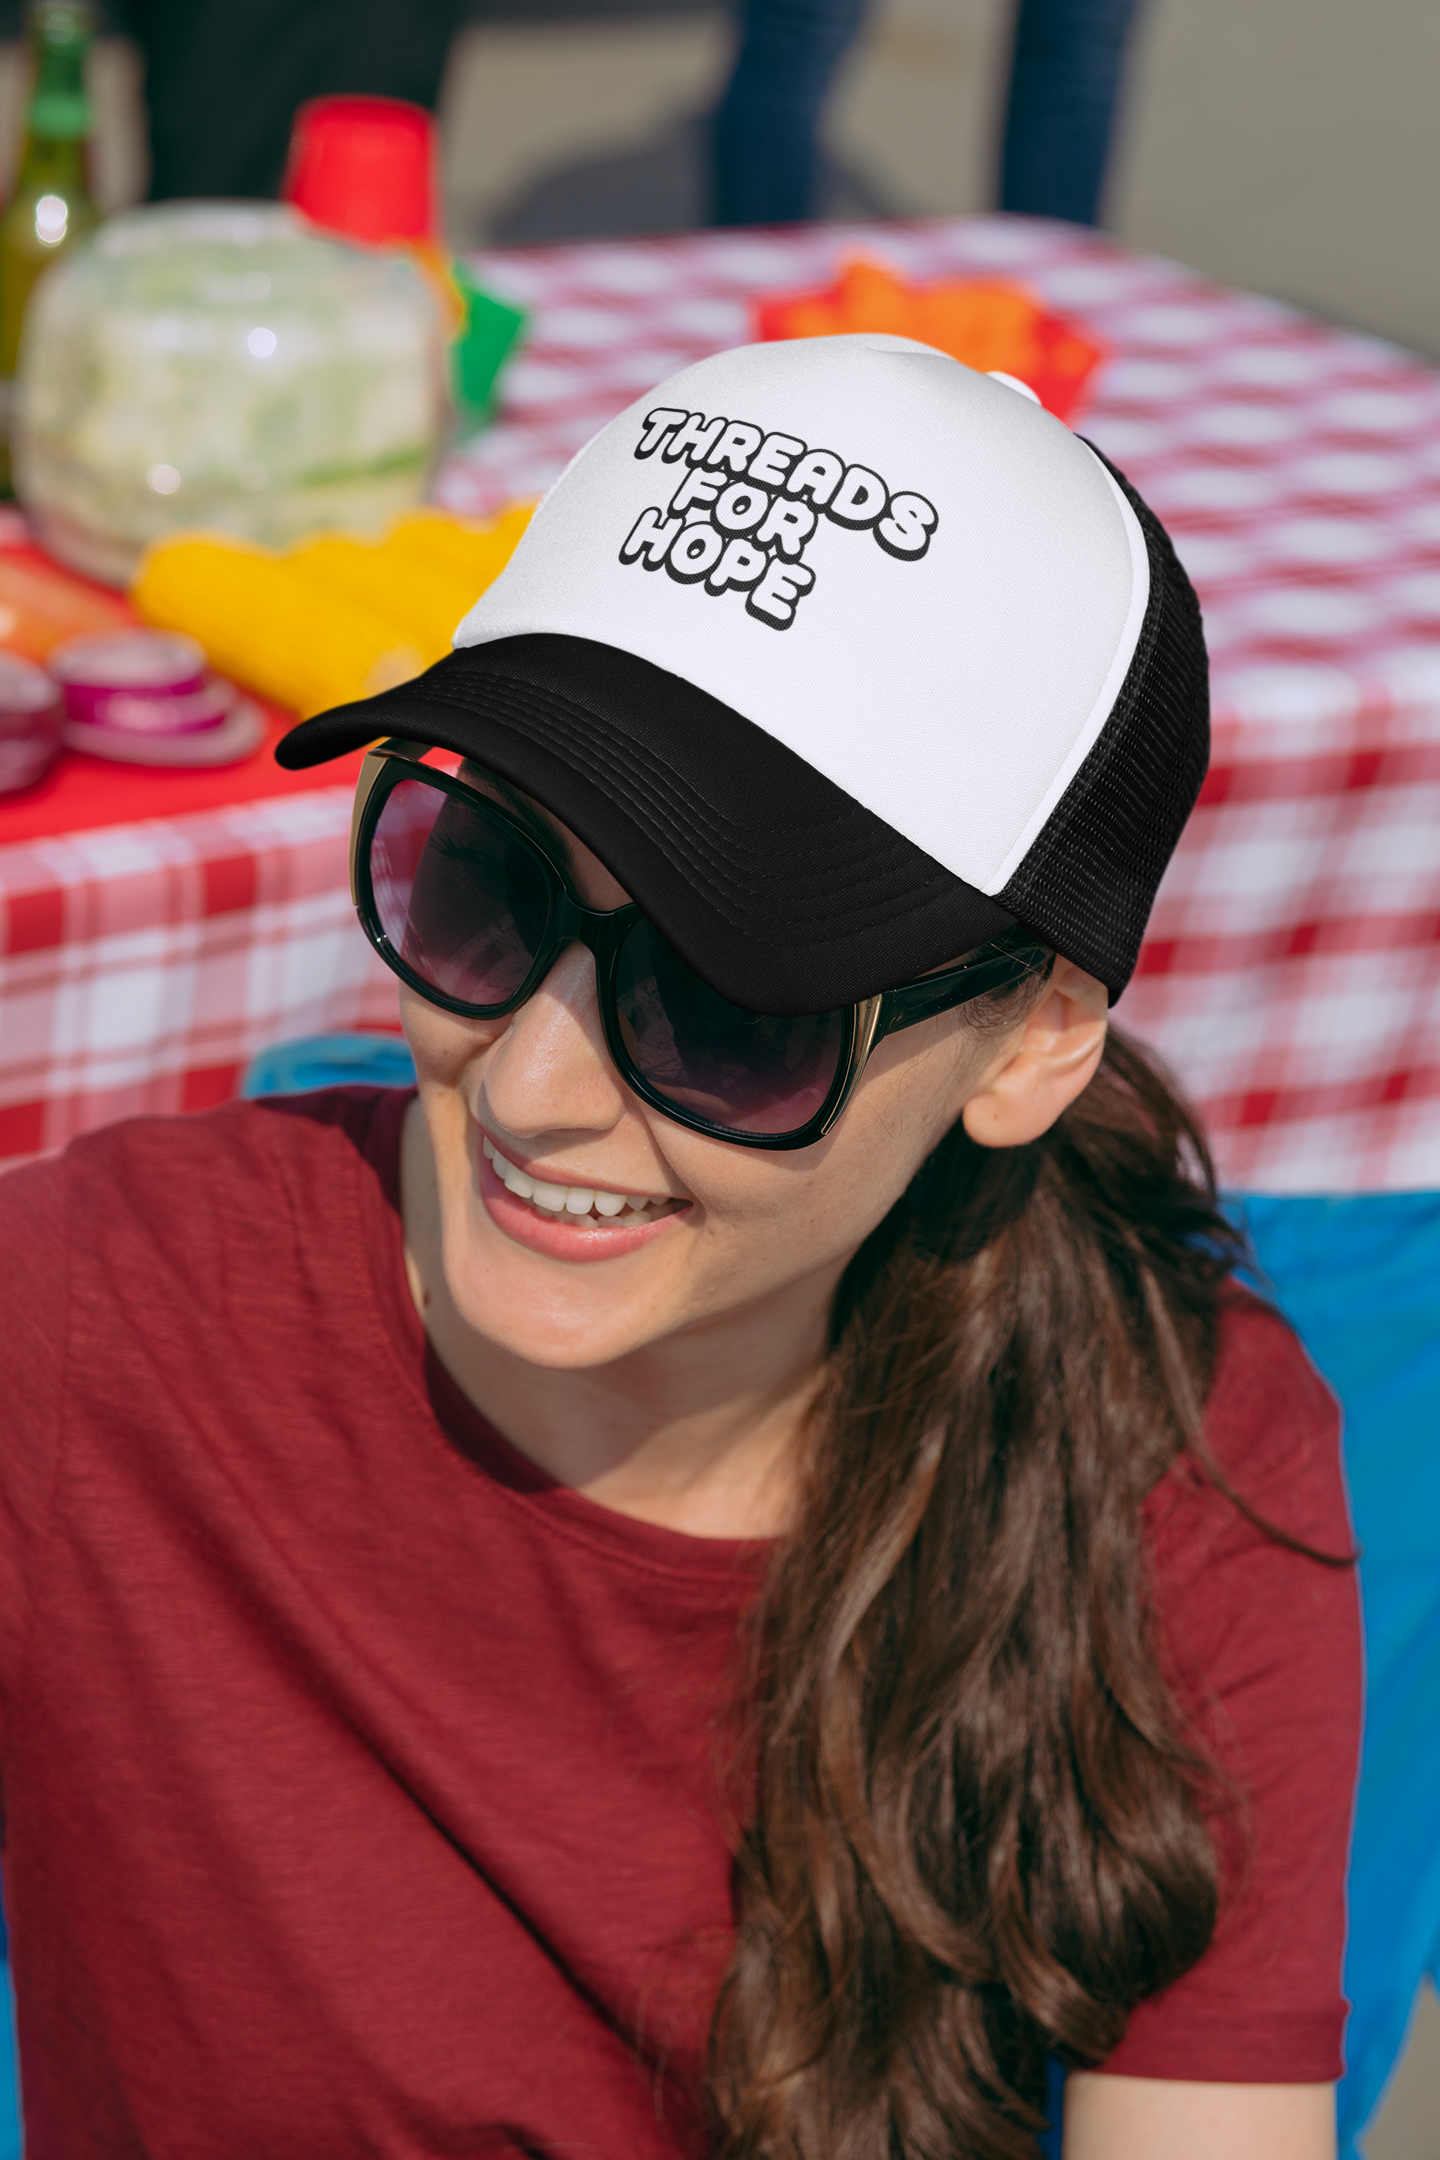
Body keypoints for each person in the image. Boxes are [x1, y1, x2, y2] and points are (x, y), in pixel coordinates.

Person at [0, 335, 1359, 2159]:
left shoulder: (1169, 1443)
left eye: (730, 1004)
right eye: (484, 880)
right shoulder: (92, 1327)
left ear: (1032, 1039)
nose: (536, 1085)